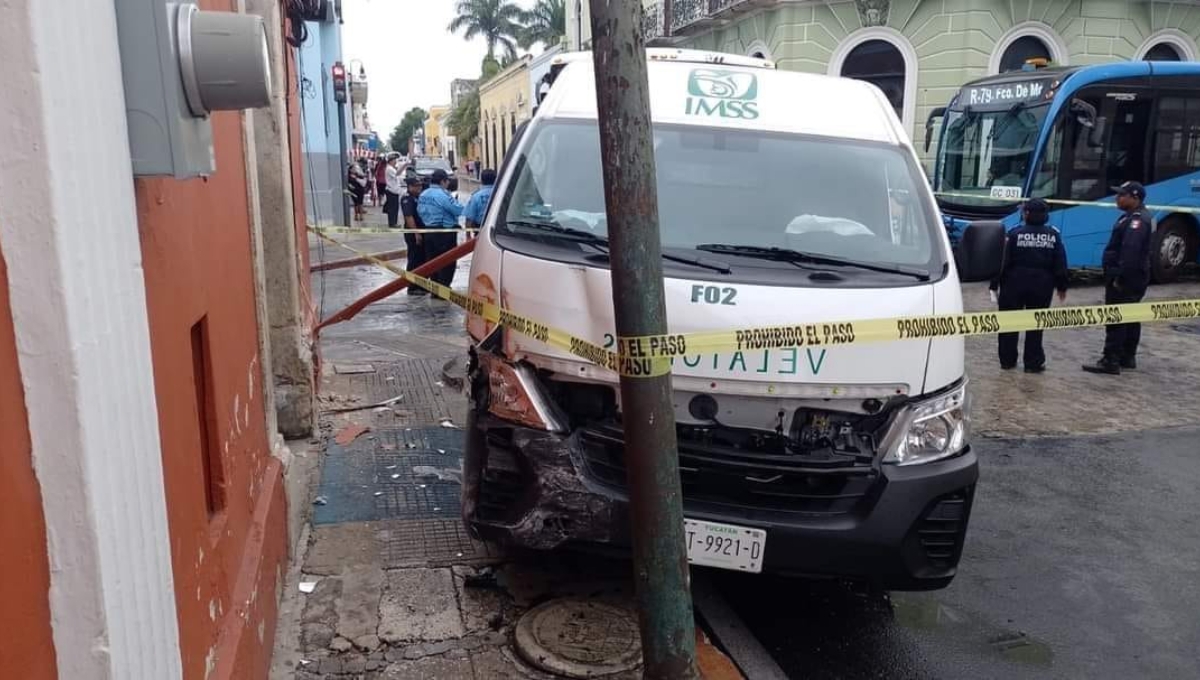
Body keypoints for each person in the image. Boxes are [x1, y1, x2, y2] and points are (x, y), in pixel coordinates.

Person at [989, 198, 1068, 373]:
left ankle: (1007, 361)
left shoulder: (1015, 233)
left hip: (1013, 285)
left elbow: (1002, 262)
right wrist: (1062, 286)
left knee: (1009, 324)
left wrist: (994, 284)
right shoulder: (1054, 235)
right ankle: (1033, 363)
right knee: (1036, 326)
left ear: (1027, 214)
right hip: (1042, 287)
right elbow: (1060, 263)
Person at [1083, 181, 1152, 375]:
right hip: (1132, 277)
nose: (1118, 198)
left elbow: (1130, 252)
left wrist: (1119, 277)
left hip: (1126, 279)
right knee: (1130, 316)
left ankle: (1111, 359)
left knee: (1116, 318)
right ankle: (1126, 356)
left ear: (1135, 197)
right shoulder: (1130, 217)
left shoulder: (1137, 220)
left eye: (1122, 195)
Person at [417, 169, 464, 288]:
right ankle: (444, 288)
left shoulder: (423, 194)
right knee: (447, 262)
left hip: (428, 230)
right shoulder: (443, 194)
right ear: (443, 181)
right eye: (447, 181)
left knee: (432, 262)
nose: (448, 183)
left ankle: (435, 289)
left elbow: (420, 211)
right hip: (444, 233)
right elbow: (457, 210)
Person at [400, 177, 427, 296]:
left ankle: (421, 285)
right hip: (413, 234)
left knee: (422, 259)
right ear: (410, 187)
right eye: (416, 186)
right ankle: (412, 286)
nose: (419, 188)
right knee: (414, 260)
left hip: (422, 231)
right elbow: (409, 217)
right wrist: (416, 233)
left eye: (420, 186)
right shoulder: (407, 199)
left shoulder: (418, 197)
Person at [463, 168, 496, 238]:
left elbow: (469, 218)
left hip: (480, 230)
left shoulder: (476, 196)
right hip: (498, 231)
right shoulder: (500, 194)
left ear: (481, 180)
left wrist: (468, 236)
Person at [383, 155, 403, 228]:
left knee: (394, 207)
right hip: (391, 190)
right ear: (391, 161)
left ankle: (394, 222)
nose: (396, 162)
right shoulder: (389, 169)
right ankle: (392, 223)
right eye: (394, 160)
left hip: (394, 190)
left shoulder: (391, 168)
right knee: (393, 208)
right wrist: (403, 166)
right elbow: (397, 174)